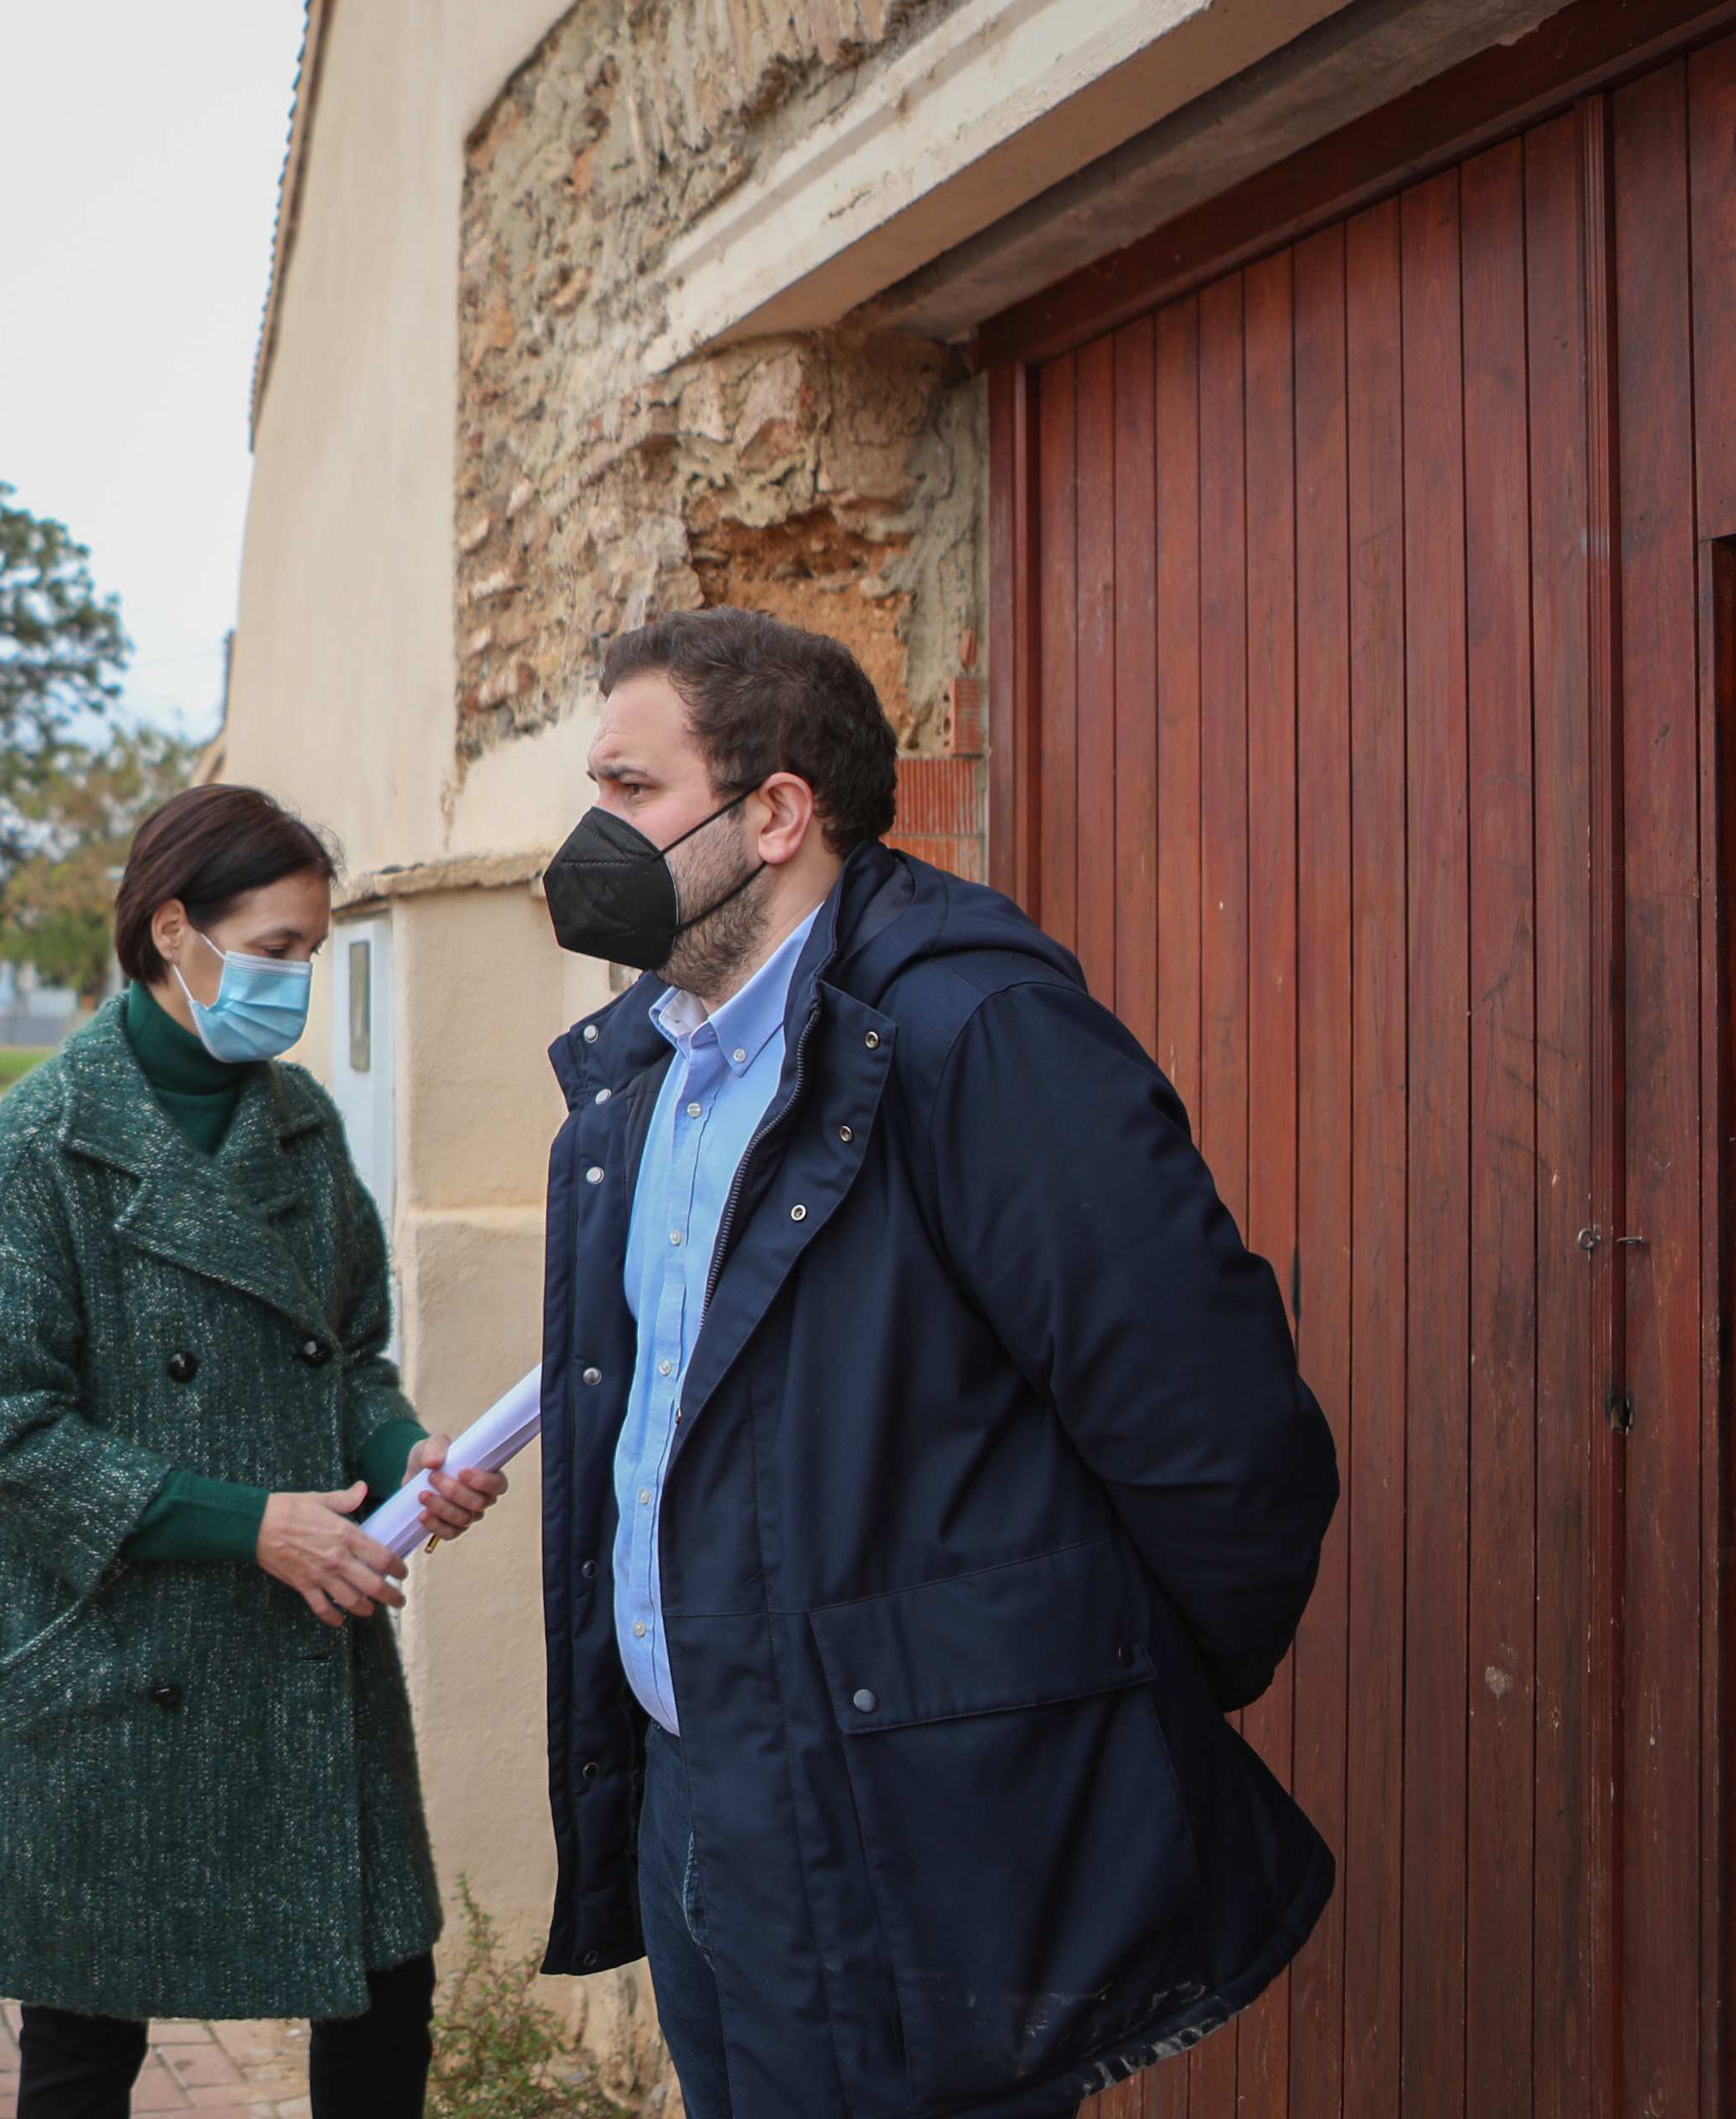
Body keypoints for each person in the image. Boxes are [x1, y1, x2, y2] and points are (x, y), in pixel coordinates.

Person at [529, 608, 1339, 2117]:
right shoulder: (651, 1069)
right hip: (695, 1793)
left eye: (630, 790)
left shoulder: (973, 1033)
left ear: (775, 810)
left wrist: (1076, 1698)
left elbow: (1220, 1433)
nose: (594, 833)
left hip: (905, 1816)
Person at [0, 783, 508, 2119]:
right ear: (174, 931)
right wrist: (253, 1525)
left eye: (314, 951)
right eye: (278, 949)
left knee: (386, 1980)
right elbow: (2, 1428)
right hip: (117, 1656)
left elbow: (349, 1355)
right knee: (83, 2035)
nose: (296, 981)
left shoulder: (298, 1124)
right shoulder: (47, 1138)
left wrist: (409, 1457)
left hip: (297, 1655)